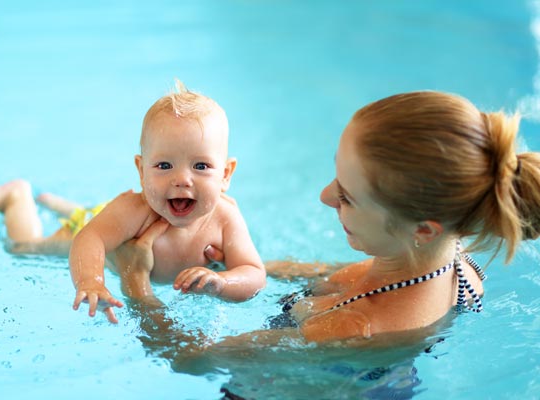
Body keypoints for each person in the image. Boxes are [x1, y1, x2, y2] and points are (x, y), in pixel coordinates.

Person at [118, 90, 540, 346]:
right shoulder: (453, 260)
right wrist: (234, 268)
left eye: (348, 196)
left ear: (423, 229)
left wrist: (136, 284)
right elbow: (334, 276)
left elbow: (194, 360)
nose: (324, 196)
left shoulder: (356, 327)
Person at [0, 82, 266, 324]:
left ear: (226, 174)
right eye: (164, 166)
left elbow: (253, 272)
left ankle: (63, 205)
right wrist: (90, 280)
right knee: (26, 248)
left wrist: (223, 282)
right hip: (100, 223)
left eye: (200, 166)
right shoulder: (136, 210)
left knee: (101, 217)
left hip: (110, 220)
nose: (182, 180)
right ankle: (16, 197)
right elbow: (91, 237)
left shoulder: (225, 217)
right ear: (141, 170)